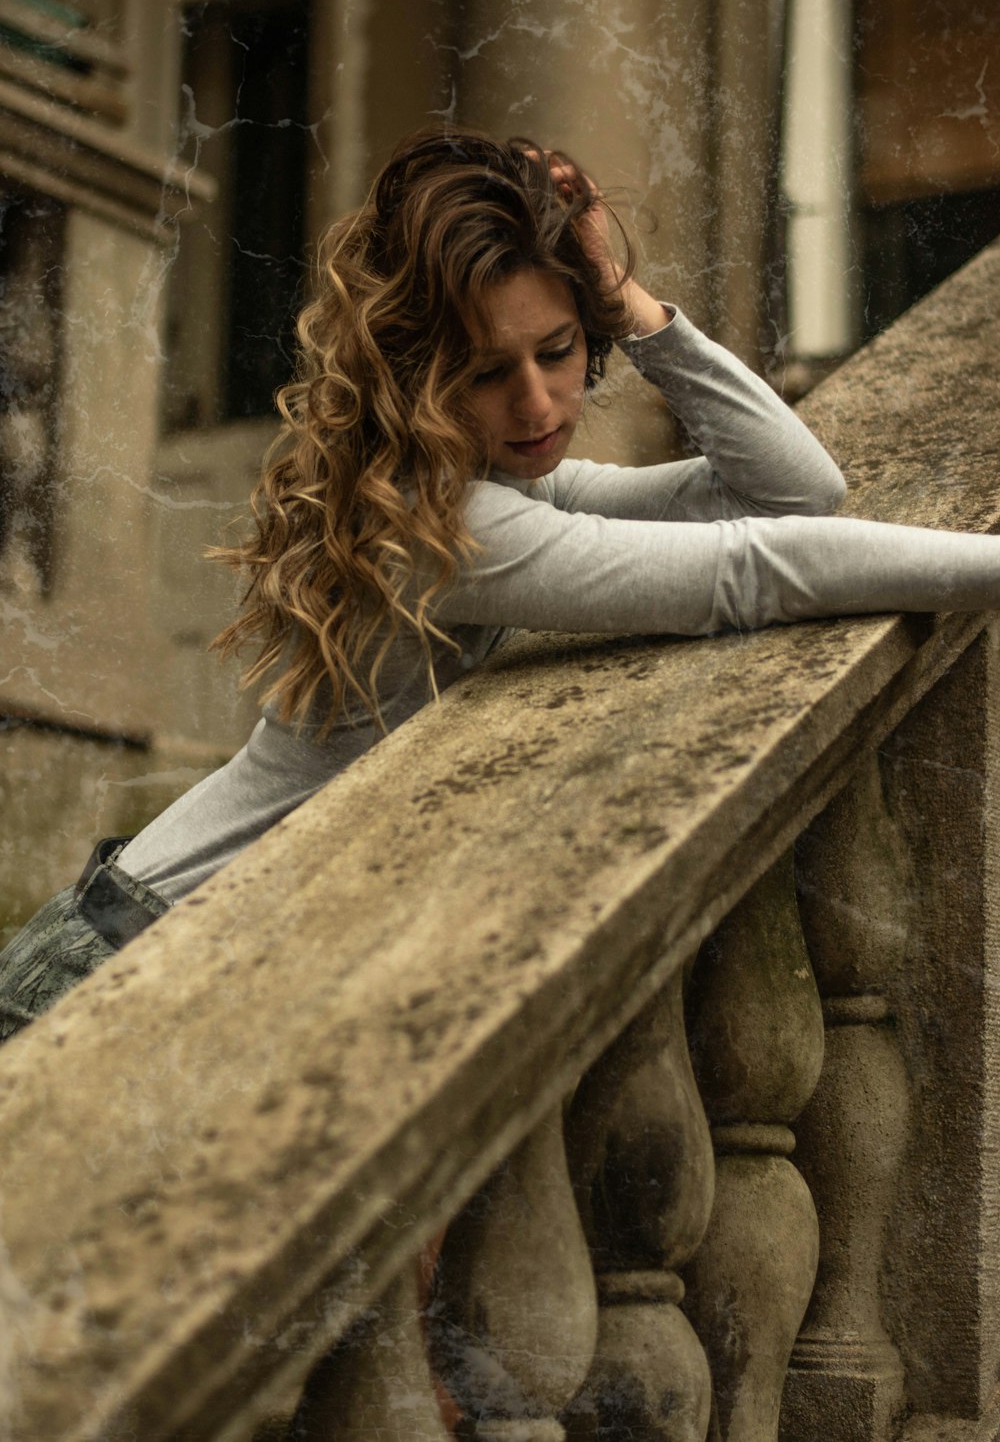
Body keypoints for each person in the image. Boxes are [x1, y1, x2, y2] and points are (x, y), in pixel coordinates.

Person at [2, 124, 999, 1042]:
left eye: (559, 351)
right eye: (486, 372)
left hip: (173, 937)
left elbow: (795, 491)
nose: (534, 402)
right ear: (422, 373)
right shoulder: (446, 527)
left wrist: (634, 308)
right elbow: (758, 567)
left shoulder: (496, 489)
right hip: (125, 956)